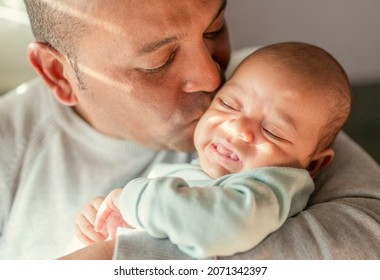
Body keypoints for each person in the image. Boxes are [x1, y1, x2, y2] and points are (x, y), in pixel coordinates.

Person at [0, 0, 379, 260]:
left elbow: (368, 238)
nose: (212, 77)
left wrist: (109, 262)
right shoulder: (12, 146)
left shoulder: (269, 84)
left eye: (214, 29)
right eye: (157, 62)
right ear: (57, 73)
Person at [74, 42, 351, 259]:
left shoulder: (270, 187)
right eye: (228, 104)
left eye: (273, 131)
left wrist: (132, 200)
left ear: (313, 165)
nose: (238, 128)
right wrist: (111, 220)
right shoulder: (194, 170)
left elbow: (214, 227)